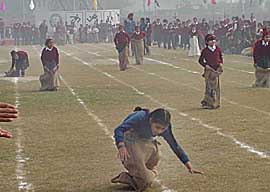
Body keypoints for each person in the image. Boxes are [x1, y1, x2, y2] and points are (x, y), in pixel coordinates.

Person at [111, 107, 203, 192]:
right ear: (151, 121)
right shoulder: (140, 117)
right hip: (131, 137)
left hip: (146, 139)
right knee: (145, 182)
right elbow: (119, 130)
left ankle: (140, 174)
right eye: (157, 127)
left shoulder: (165, 128)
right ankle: (126, 177)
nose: (159, 131)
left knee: (155, 158)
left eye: (162, 129)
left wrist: (187, 163)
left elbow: (174, 144)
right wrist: (121, 146)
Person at [199, 34, 223, 109]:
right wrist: (206, 65)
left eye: (214, 40)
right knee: (209, 87)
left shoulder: (218, 49)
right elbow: (200, 60)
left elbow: (220, 57)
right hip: (209, 71)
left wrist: (221, 64)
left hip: (216, 71)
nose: (213, 41)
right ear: (207, 42)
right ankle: (208, 102)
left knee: (216, 87)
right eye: (210, 40)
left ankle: (216, 102)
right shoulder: (205, 51)